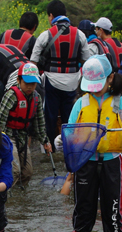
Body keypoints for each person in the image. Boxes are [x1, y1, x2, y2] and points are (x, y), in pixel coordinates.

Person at [58, 55, 122, 232]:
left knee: (112, 210)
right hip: (85, 163)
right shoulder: (81, 103)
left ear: (110, 78)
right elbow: (70, 134)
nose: (94, 91)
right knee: (83, 208)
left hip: (113, 162)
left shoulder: (120, 102)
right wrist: (60, 141)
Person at [31, 1, 92, 151]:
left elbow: (33, 61)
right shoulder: (80, 34)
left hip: (51, 81)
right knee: (69, 118)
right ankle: (70, 149)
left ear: (51, 16)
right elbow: (86, 60)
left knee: (50, 117)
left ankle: (50, 149)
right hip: (72, 81)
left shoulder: (46, 35)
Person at [0, 63, 51, 184]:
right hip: (8, 137)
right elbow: (0, 121)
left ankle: (20, 196)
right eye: (27, 83)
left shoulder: (37, 98)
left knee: (27, 173)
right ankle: (7, 198)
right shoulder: (11, 96)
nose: (30, 87)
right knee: (15, 171)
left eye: (33, 84)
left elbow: (39, 122)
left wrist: (45, 141)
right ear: (18, 80)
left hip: (23, 136)